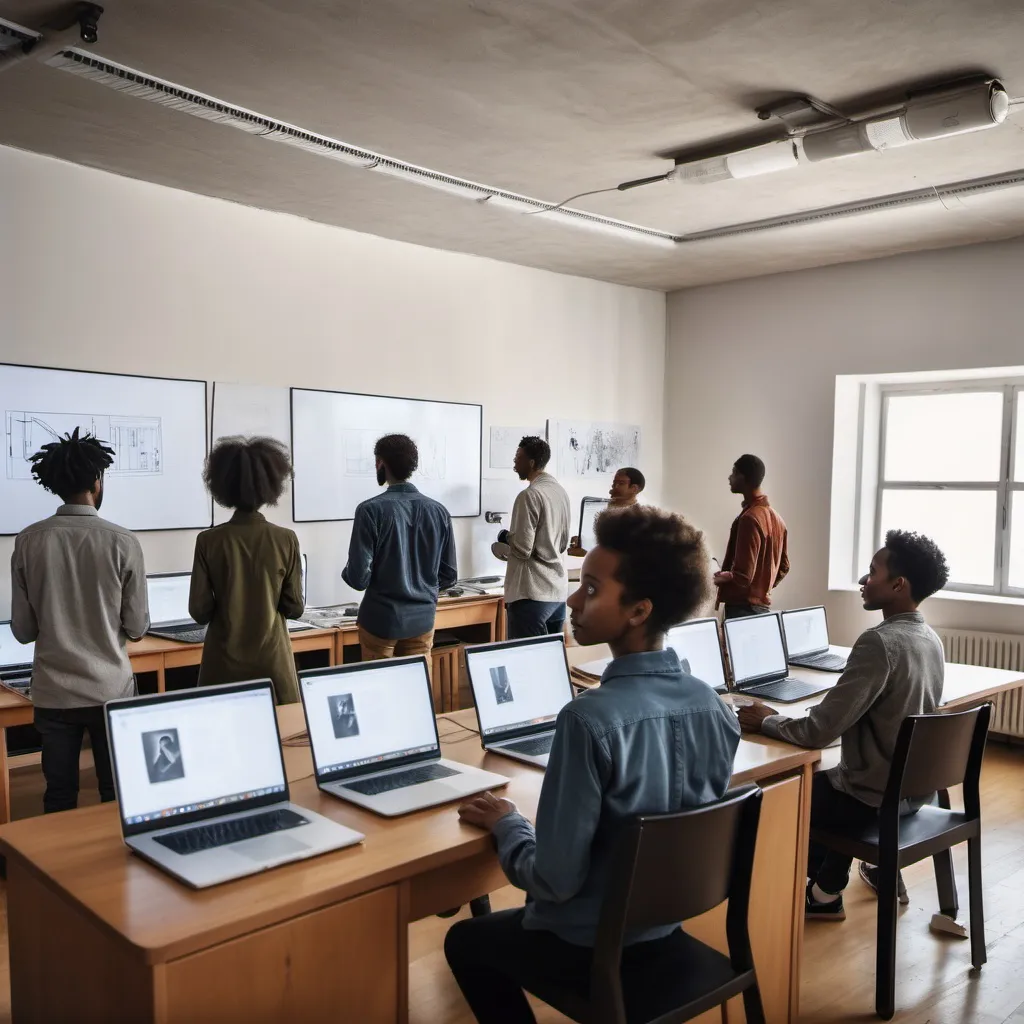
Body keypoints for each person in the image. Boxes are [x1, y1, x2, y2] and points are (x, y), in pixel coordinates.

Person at [445, 505, 741, 1022]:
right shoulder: (713, 706)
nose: (572, 600)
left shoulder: (587, 720)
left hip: (587, 940)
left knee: (465, 940)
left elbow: (554, 881)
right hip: (666, 925)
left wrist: (509, 823)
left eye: (590, 589)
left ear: (638, 611)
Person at [738, 530, 949, 920]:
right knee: (831, 776)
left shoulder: (879, 643)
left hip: (872, 799)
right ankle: (824, 890)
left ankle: (787, 902)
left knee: (773, 794)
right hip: (912, 792)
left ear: (898, 585)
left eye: (872, 572)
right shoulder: (929, 637)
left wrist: (767, 720)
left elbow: (816, 732)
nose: (862, 581)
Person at [10, 428, 149, 813]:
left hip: (54, 693)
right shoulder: (123, 542)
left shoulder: (28, 540)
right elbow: (137, 628)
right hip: (111, 691)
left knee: (58, 795)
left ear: (52, 484)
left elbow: (22, 631)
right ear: (96, 482)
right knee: (116, 795)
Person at [189, 436, 304, 705]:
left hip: (222, 668)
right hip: (273, 666)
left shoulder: (208, 541)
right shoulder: (286, 539)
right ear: (271, 485)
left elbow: (199, 611)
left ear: (221, 484)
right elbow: (295, 607)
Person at [343, 433, 457, 663]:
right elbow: (449, 576)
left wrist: (347, 571)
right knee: (418, 691)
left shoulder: (369, 510)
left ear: (380, 464)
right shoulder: (439, 511)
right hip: (423, 620)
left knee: (379, 690)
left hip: (380, 620)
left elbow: (358, 579)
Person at [495, 436, 571, 639]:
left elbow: (522, 548)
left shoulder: (529, 495)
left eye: (517, 458)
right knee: (550, 662)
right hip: (557, 593)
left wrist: (506, 537)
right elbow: (563, 542)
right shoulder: (560, 492)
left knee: (524, 663)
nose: (514, 463)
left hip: (531, 595)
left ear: (531, 463)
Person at [713, 454, 789, 619]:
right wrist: (762, 587)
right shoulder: (778, 519)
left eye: (734, 473)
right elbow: (784, 567)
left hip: (742, 610)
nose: (729, 478)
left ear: (743, 477)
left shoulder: (749, 518)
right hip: (761, 609)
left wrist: (718, 577)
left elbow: (742, 577)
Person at [567, 466, 645, 556]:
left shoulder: (639, 518)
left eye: (621, 483)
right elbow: (598, 543)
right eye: (614, 483)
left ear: (634, 488)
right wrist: (583, 543)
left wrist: (588, 553)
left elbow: (626, 556)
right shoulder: (605, 511)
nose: (614, 488)